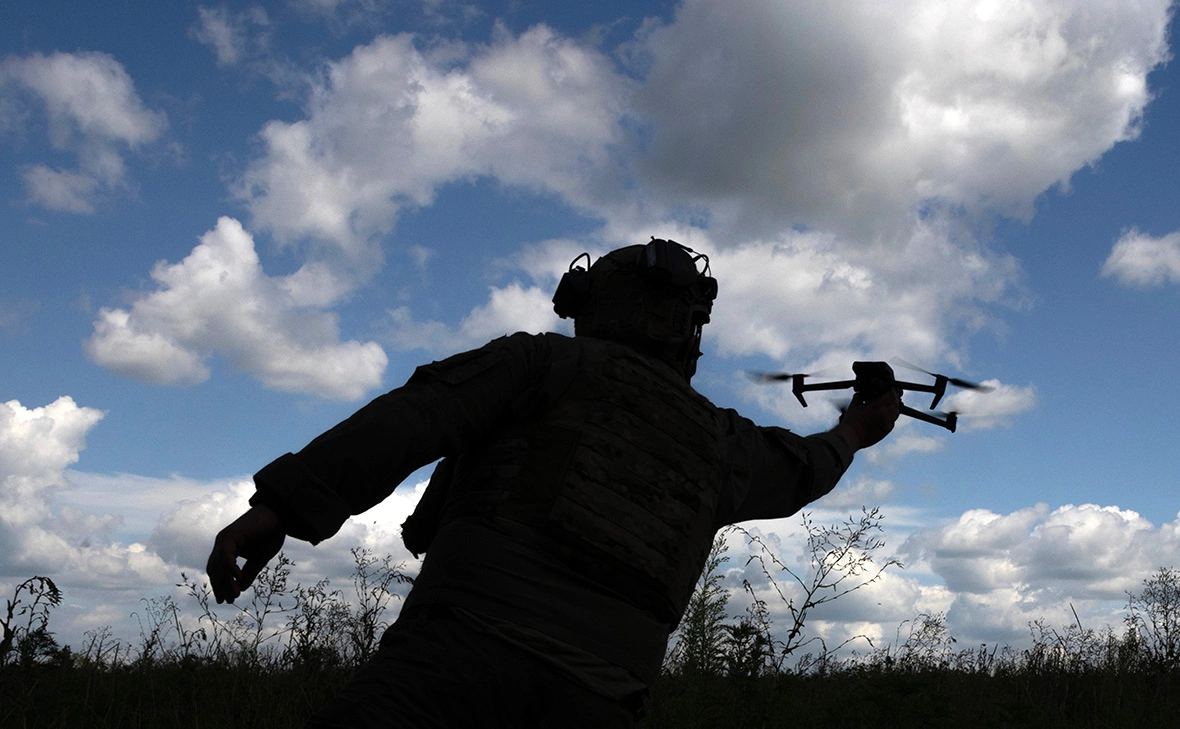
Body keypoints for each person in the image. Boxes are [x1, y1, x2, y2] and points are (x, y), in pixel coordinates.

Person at [206, 238, 901, 728]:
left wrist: (281, 507)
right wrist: (859, 426)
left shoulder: (543, 364)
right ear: (690, 326)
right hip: (599, 699)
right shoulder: (724, 443)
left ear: (596, 304)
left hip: (452, 664)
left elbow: (416, 415)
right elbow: (810, 466)